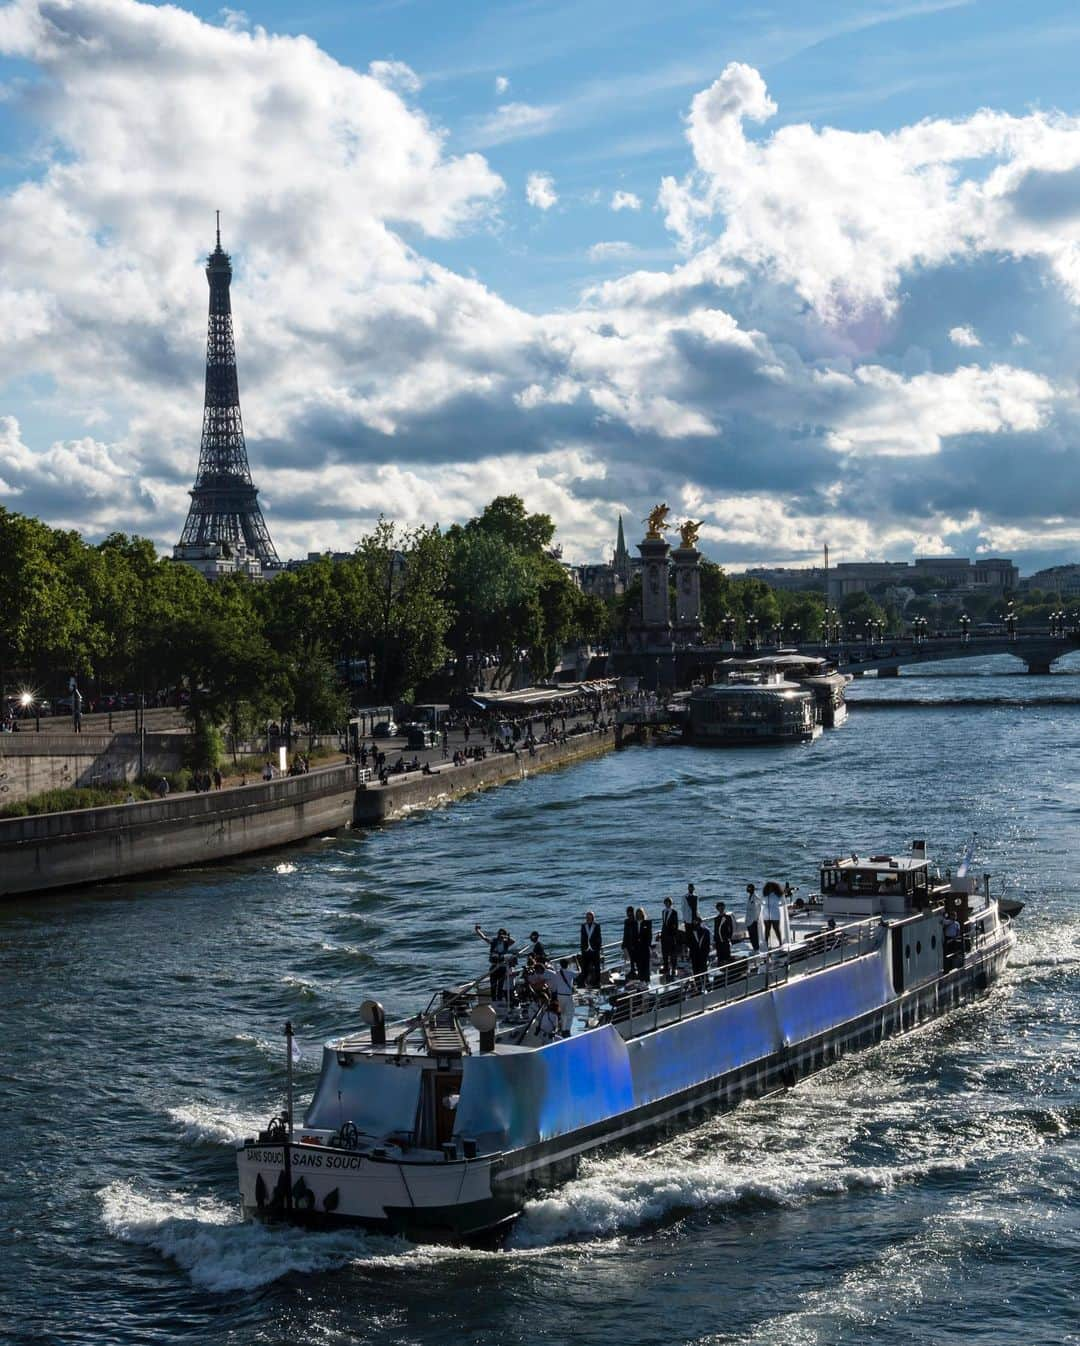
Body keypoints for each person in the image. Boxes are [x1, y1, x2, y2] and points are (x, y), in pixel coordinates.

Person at [475, 924, 515, 1002]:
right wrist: (478, 930)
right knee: (493, 984)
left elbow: (513, 941)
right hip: (494, 966)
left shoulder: (506, 943)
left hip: (502, 966)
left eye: (502, 934)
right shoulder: (494, 941)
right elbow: (484, 938)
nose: (500, 935)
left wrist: (506, 937)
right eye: (499, 934)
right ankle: (493, 1000)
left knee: (500, 985)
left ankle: (499, 1000)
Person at [762, 882, 791, 948]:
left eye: (771, 887)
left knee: (776, 929)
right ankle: (766, 944)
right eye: (769, 887)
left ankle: (780, 943)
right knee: (767, 930)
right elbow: (762, 902)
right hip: (766, 914)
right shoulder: (765, 895)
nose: (770, 888)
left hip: (775, 914)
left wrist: (776, 906)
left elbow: (783, 903)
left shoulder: (778, 895)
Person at [580, 911, 602, 988]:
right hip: (586, 950)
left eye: (590, 916)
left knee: (597, 967)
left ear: (593, 917)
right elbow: (582, 938)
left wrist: (598, 948)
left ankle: (597, 982)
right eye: (587, 916)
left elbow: (599, 937)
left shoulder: (596, 925)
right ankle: (583, 982)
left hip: (594, 949)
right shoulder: (583, 925)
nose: (588, 918)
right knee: (585, 967)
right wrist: (582, 948)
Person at [555, 958, 577, 1036]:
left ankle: (563, 1029)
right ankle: (567, 1030)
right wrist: (577, 962)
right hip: (567, 996)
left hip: (559, 995)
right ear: (567, 965)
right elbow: (580, 973)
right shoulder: (570, 973)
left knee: (563, 1013)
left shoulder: (557, 973)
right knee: (570, 1013)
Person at [659, 896, 680, 979]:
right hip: (664, 935)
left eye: (668, 903)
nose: (667, 904)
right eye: (666, 903)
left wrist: (674, 936)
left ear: (671, 903)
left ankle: (674, 968)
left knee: (672, 954)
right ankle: (666, 967)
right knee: (664, 953)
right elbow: (664, 924)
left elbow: (676, 925)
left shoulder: (674, 912)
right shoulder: (663, 911)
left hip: (671, 936)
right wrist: (661, 934)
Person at [631, 906, 652, 983]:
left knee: (646, 965)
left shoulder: (647, 922)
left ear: (643, 914)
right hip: (637, 948)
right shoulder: (634, 923)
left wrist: (648, 945)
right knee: (639, 965)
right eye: (637, 913)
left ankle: (647, 981)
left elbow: (649, 935)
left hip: (645, 947)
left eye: (640, 913)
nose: (639, 915)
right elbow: (632, 935)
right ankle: (641, 980)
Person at [688, 915, 710, 987]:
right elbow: (689, 944)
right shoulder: (690, 932)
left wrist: (706, 953)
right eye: (694, 921)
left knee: (704, 970)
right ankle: (698, 987)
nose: (695, 922)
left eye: (696, 920)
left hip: (703, 954)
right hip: (694, 955)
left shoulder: (705, 931)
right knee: (696, 972)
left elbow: (707, 944)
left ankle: (707, 985)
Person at [713, 901, 734, 967]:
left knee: (727, 955)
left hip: (725, 939)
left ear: (724, 907)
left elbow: (731, 928)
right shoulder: (716, 918)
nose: (721, 909)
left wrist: (729, 937)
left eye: (722, 907)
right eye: (719, 907)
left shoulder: (728, 917)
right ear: (717, 909)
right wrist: (715, 940)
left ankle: (729, 969)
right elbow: (716, 930)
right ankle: (721, 969)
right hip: (718, 940)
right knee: (720, 955)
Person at [745, 883, 763, 952]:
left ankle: (757, 949)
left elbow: (759, 908)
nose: (747, 889)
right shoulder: (749, 897)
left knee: (755, 936)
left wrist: (756, 919)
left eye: (749, 888)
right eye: (747, 888)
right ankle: (755, 949)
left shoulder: (756, 897)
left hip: (753, 920)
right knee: (751, 936)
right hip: (749, 920)